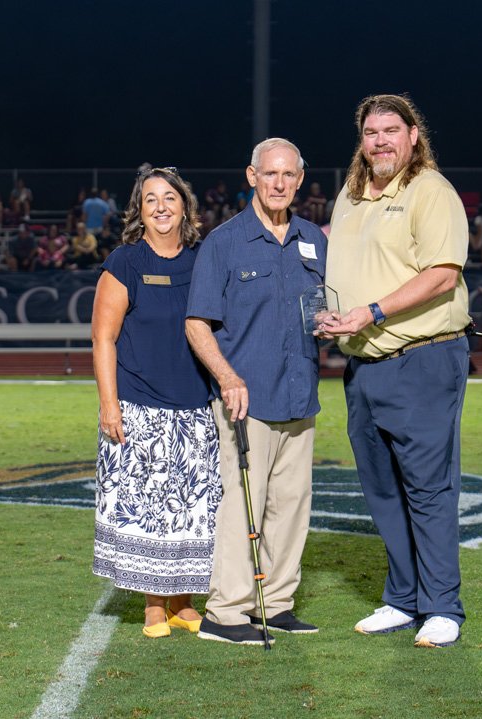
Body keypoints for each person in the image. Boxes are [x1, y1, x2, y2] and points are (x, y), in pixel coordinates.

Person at [319, 94, 471, 649]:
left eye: (390, 130)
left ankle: (442, 607)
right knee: (382, 490)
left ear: (412, 135)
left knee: (428, 488)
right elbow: (337, 257)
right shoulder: (352, 194)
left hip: (422, 358)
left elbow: (443, 274)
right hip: (363, 362)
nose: (380, 141)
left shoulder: (430, 190)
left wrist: (372, 310)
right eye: (370, 132)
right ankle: (402, 599)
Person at [185, 138, 327, 645]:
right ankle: (225, 612)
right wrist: (228, 377)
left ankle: (276, 603)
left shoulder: (314, 238)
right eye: (271, 174)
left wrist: (329, 325)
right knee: (241, 507)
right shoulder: (224, 242)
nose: (280, 183)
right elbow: (197, 323)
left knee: (291, 506)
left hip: (299, 394)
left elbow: (318, 310)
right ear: (251, 176)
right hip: (245, 401)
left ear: (301, 180)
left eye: (289, 175)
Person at [91, 166, 220, 639]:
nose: (161, 206)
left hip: (194, 407)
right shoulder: (124, 262)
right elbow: (103, 339)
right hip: (140, 406)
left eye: (170, 197)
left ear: (185, 206)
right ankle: (151, 606)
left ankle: (183, 602)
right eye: (151, 199)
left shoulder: (204, 261)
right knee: (150, 509)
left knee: (190, 509)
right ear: (139, 211)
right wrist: (110, 404)